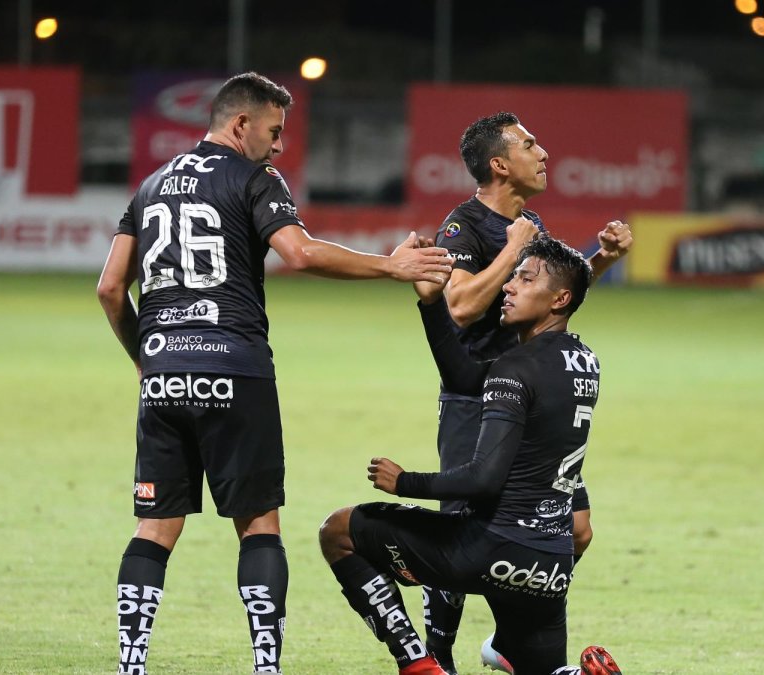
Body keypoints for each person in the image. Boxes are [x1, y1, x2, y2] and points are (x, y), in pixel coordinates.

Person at [96, 71, 452, 675]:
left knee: (154, 525)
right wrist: (391, 268)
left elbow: (109, 288)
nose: (279, 144)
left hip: (162, 374)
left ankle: (131, 665)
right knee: (258, 525)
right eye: (274, 130)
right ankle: (266, 666)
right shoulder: (255, 178)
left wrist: (143, 356)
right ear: (240, 125)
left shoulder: (151, 186)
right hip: (234, 368)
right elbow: (300, 252)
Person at [319, 237, 623, 675]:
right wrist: (431, 305)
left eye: (525, 278)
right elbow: (464, 376)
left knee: (339, 530)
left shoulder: (516, 367)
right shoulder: (584, 361)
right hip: (551, 565)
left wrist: (405, 482)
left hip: (491, 549)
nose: (509, 287)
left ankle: (418, 662)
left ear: (561, 298)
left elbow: (483, 479)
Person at [420, 111, 632, 671]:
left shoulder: (529, 222)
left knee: (575, 531)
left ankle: (508, 641)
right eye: (529, 144)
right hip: (477, 404)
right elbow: (459, 306)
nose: (543, 152)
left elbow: (553, 295)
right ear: (499, 164)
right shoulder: (462, 226)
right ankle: (434, 657)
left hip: (536, 405)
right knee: (459, 539)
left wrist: (601, 260)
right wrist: (514, 252)